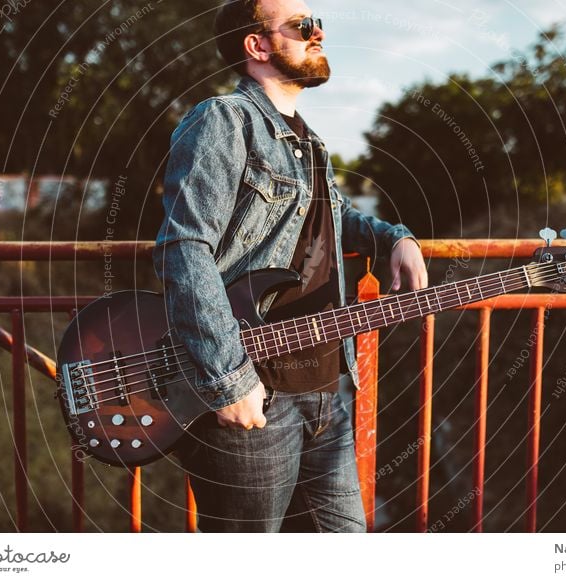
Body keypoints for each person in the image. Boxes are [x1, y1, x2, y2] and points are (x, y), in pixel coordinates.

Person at [152, 0, 428, 532]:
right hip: (258, 389)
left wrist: (397, 238)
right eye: (303, 27)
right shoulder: (223, 121)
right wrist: (228, 380)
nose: (318, 33)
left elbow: (334, 219)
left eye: (317, 22)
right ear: (256, 46)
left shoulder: (308, 142)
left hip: (328, 391)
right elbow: (183, 248)